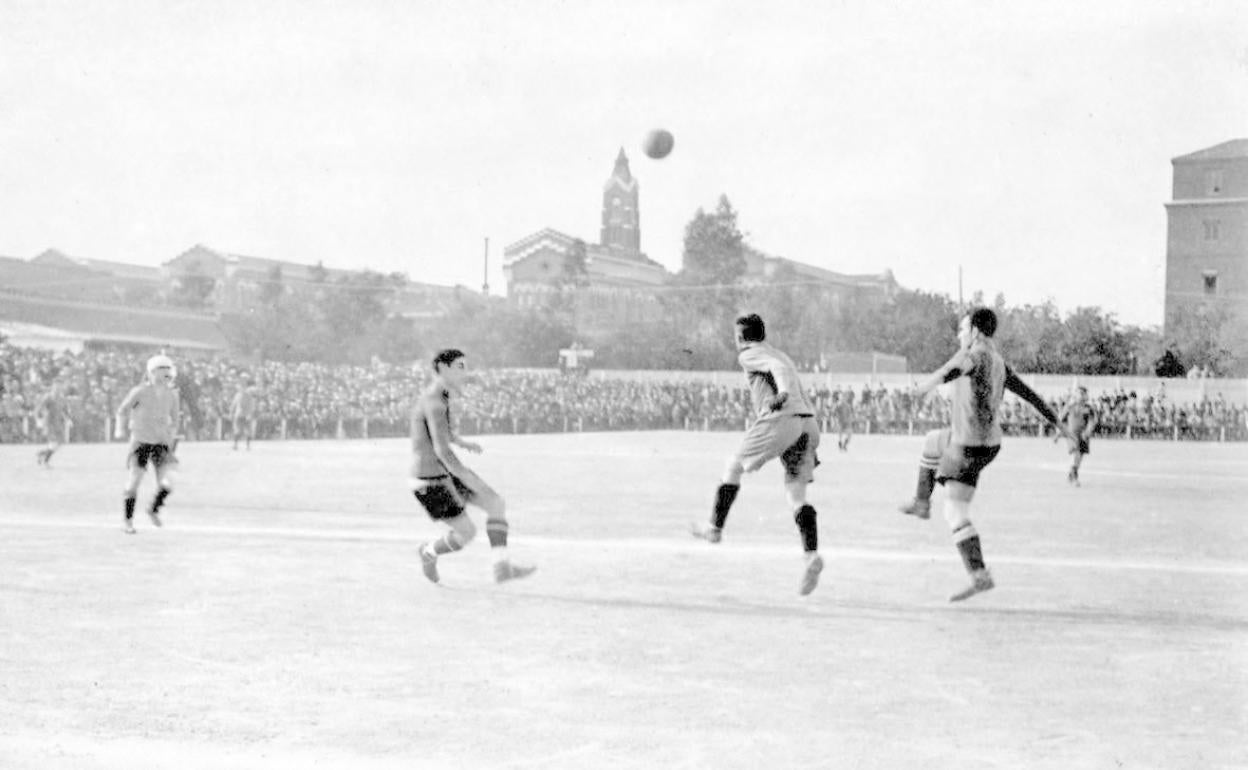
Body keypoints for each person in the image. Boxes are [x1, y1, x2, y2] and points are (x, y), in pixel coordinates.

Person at [898, 308, 1068, 601]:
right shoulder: (999, 361)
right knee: (932, 441)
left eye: (962, 329)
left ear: (975, 331)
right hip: (988, 444)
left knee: (955, 511)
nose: (959, 335)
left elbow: (953, 370)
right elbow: (1030, 394)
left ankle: (979, 574)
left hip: (967, 445)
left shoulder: (974, 353)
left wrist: (924, 387)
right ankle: (921, 502)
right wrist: (1058, 423)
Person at [690, 314, 825, 596]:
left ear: (740, 338)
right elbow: (783, 370)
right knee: (796, 495)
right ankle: (811, 555)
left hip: (781, 417)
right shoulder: (779, 353)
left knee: (733, 466)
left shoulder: (750, 354)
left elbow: (780, 374)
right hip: (806, 422)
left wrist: (783, 393)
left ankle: (714, 528)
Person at [411, 349, 535, 584]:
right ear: (443, 369)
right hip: (430, 480)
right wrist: (467, 477)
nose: (465, 373)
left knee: (496, 504)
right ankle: (427, 552)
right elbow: (442, 450)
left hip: (443, 474)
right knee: (466, 533)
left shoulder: (440, 398)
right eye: (460, 367)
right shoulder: (435, 402)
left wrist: (461, 442)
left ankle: (502, 567)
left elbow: (436, 431)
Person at [114, 355, 181, 534]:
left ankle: (153, 509)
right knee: (134, 481)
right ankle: (127, 521)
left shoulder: (172, 395)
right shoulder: (140, 391)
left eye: (168, 369)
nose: (167, 373)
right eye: (163, 369)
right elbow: (122, 410)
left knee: (168, 482)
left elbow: (175, 420)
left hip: (161, 443)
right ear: (153, 372)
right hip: (141, 441)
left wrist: (172, 437)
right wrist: (119, 429)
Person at [1057, 386, 1097, 486]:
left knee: (1080, 458)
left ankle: (1071, 474)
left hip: (1083, 436)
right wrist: (1058, 434)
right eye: (1079, 393)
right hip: (1072, 435)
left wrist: (1088, 431)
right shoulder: (1070, 406)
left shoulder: (1089, 408)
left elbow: (1093, 421)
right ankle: (1074, 477)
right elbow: (1060, 419)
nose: (1081, 396)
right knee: (1076, 454)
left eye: (1083, 394)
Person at [34, 381, 70, 467]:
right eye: (56, 387)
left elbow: (64, 410)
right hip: (49, 423)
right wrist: (38, 420)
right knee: (53, 443)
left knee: (60, 443)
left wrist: (68, 419)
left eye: (59, 387)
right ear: (53, 387)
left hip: (58, 423)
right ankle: (46, 461)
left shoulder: (62, 398)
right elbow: (38, 408)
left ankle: (41, 453)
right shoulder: (48, 397)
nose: (58, 389)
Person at [230, 379, 258, 450]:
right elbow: (233, 404)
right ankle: (235, 445)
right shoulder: (238, 395)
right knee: (238, 431)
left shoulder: (249, 396)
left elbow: (251, 406)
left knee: (248, 431)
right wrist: (231, 413)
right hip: (239, 415)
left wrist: (249, 414)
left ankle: (247, 446)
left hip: (245, 415)